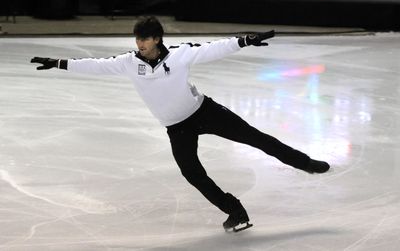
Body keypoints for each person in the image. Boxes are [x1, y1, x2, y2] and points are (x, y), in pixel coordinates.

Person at [31, 16, 330, 233]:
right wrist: (58, 63)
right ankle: (235, 211)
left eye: (144, 39)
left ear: (157, 39)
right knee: (192, 173)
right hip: (177, 127)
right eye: (137, 39)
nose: (139, 44)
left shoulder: (181, 54)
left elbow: (213, 48)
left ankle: (306, 163)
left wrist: (245, 40)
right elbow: (95, 65)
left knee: (257, 138)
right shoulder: (128, 62)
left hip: (204, 111)